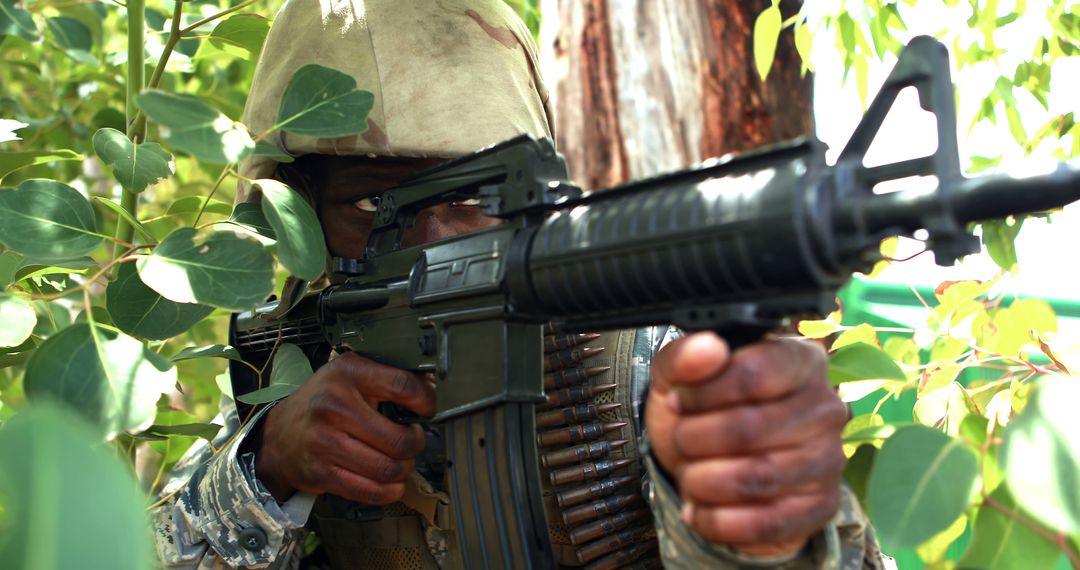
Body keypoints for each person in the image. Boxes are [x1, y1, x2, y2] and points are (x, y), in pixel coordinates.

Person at [152, 1, 893, 568]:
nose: (437, 241)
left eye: (476, 197)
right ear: (295, 211)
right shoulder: (291, 360)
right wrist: (271, 467)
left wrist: (754, 522)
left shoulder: (638, 361)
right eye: (376, 205)